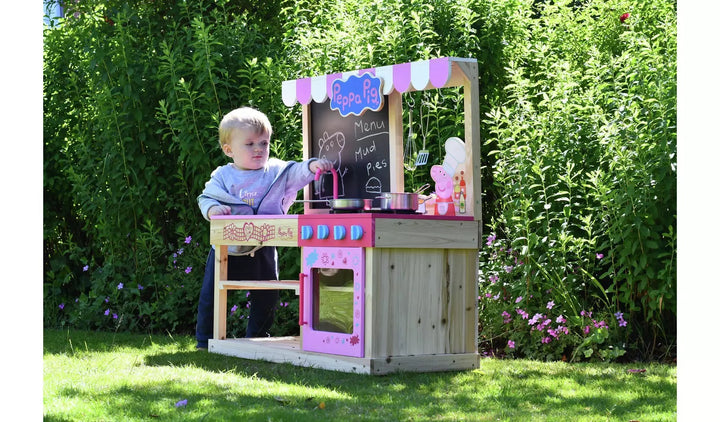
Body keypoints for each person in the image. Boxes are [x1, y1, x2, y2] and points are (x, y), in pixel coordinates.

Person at [195, 106, 332, 350]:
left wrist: (311, 167)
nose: (259, 149)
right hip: (230, 247)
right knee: (211, 295)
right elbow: (206, 197)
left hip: (264, 245)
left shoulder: (275, 172)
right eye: (249, 144)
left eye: (264, 143)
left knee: (268, 294)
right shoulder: (223, 176)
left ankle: (257, 337)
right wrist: (212, 210)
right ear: (229, 150)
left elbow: (295, 171)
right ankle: (205, 341)